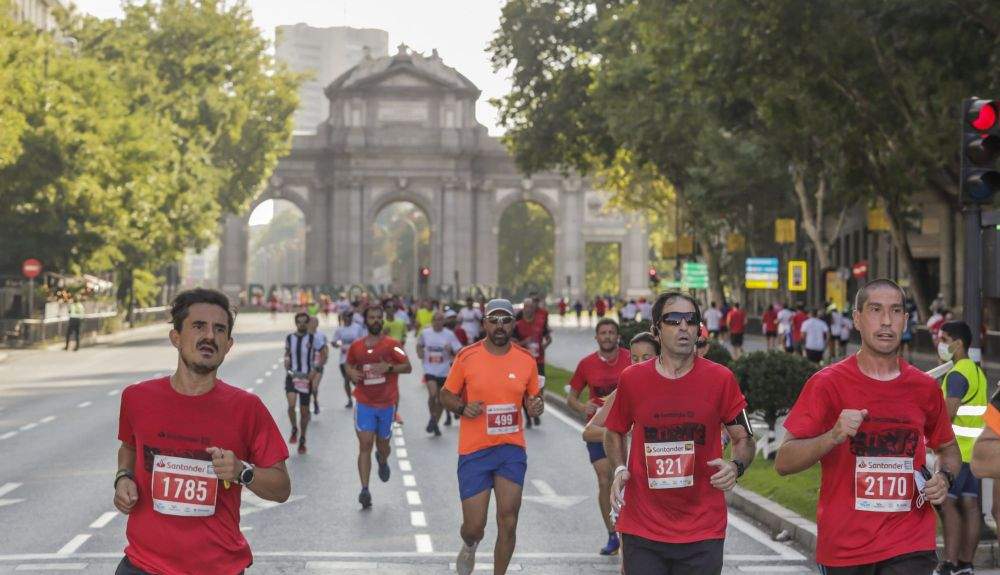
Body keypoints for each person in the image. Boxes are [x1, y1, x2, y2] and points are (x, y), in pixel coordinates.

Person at [775, 279, 960, 574]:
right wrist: (833, 436)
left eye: (896, 311)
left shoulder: (924, 388)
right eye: (876, 310)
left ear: (906, 320)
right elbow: (783, 462)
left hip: (910, 543)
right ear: (857, 319)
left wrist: (944, 477)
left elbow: (949, 450)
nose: (886, 321)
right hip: (846, 549)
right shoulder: (827, 384)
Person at [113, 288, 290, 575]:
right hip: (143, 566)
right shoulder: (137, 398)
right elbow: (130, 447)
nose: (210, 336)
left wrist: (242, 471)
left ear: (229, 344)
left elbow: (281, 488)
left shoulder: (247, 408)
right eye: (198, 326)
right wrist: (123, 477)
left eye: (219, 329)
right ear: (176, 338)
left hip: (217, 569)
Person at [605, 292, 755, 574]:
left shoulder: (721, 379)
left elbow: (744, 438)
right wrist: (619, 469)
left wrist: (736, 466)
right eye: (674, 320)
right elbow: (613, 431)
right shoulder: (633, 379)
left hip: (702, 529)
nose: (684, 327)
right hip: (643, 527)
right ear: (656, 330)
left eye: (691, 320)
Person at [439, 299, 544, 575]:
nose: (500, 325)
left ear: (513, 324)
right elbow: (445, 395)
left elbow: (534, 399)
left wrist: (535, 406)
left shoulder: (525, 360)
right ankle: (470, 544)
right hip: (475, 451)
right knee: (475, 526)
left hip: (511, 449)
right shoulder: (467, 356)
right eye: (494, 320)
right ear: (484, 323)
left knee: (508, 520)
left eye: (506, 320)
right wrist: (463, 407)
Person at [567, 318, 630, 556]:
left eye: (611, 332)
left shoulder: (630, 359)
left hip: (627, 430)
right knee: (605, 479)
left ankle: (632, 530)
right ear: (596, 337)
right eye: (603, 333)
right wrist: (584, 408)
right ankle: (613, 532)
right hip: (599, 432)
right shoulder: (586, 364)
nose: (607, 336)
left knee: (629, 481)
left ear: (617, 336)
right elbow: (571, 398)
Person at [345, 305, 412, 509]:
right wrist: (351, 373)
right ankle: (364, 490)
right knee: (365, 444)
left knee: (383, 446)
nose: (375, 320)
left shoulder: (394, 345)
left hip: (386, 404)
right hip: (365, 403)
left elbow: (408, 366)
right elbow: (348, 364)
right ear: (366, 321)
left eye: (378, 317)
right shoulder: (356, 346)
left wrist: (389, 367)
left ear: (382, 321)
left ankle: (382, 460)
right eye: (372, 317)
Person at [937, 321, 987, 575]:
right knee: (970, 506)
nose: (940, 344)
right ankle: (966, 564)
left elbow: (949, 413)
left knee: (947, 504)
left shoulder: (957, 374)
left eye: (944, 339)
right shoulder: (977, 372)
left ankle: (950, 563)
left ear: (957, 343)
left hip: (955, 454)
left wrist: (934, 444)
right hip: (974, 453)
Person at [417, 310, 463, 436]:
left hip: (444, 371)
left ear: (444, 322)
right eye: (435, 320)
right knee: (432, 395)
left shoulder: (449, 335)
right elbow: (419, 345)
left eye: (440, 320)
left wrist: (452, 350)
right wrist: (420, 353)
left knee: (441, 400)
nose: (438, 322)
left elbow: (460, 350)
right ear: (432, 321)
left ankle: (435, 422)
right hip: (430, 369)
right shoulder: (425, 333)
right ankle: (433, 417)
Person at [514, 298, 551, 428]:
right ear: (523, 308)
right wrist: (525, 342)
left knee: (538, 390)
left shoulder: (540, 322)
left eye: (531, 307)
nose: (529, 309)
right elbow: (513, 344)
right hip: (523, 363)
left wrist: (543, 348)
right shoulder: (517, 325)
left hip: (538, 361)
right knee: (524, 390)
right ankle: (528, 417)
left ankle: (536, 413)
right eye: (526, 307)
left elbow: (549, 338)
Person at [283, 312, 316, 454]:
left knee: (304, 412)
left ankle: (302, 438)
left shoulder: (313, 339)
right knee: (291, 405)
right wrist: (286, 361)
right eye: (299, 322)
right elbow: (287, 353)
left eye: (304, 322)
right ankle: (294, 428)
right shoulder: (290, 338)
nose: (301, 324)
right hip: (292, 376)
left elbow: (320, 355)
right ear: (296, 323)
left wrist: (314, 371)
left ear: (307, 323)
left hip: (306, 378)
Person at [332, 311, 363, 408]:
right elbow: (334, 342)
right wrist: (339, 345)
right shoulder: (340, 330)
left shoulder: (357, 327)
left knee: (353, 380)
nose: (347, 319)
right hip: (343, 359)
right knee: (347, 380)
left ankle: (360, 397)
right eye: (345, 317)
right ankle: (350, 399)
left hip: (356, 358)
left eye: (349, 316)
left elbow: (363, 340)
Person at [307, 316, 329, 415]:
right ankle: (306, 407)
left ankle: (315, 402)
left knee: (314, 387)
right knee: (307, 388)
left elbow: (325, 348)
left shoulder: (321, 335)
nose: (314, 324)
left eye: (316, 322)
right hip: (306, 366)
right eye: (312, 322)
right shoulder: (305, 336)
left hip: (318, 365)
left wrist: (324, 360)